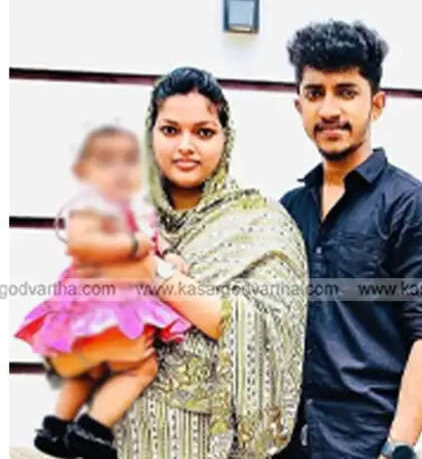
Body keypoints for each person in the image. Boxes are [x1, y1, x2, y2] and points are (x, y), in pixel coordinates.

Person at [61, 67, 309, 459]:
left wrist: (152, 271)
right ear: (150, 135)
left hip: (210, 443)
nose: (186, 146)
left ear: (226, 139)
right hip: (123, 436)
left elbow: (266, 328)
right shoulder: (123, 216)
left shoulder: (260, 222)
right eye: (170, 130)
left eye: (204, 132)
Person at [276, 21, 422, 459]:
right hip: (287, 444)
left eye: (346, 92)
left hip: (365, 445)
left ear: (376, 104)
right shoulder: (289, 209)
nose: (329, 109)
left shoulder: (413, 206)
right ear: (298, 105)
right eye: (315, 93)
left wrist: (397, 448)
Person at [14, 125, 192, 458]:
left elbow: (156, 238)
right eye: (107, 162)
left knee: (89, 370)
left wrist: (168, 254)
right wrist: (132, 245)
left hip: (107, 307)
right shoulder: (90, 206)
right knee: (141, 368)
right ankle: (92, 429)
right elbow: (82, 242)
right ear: (85, 171)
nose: (120, 171)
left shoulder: (136, 209)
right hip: (103, 304)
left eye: (129, 162)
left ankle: (56, 429)